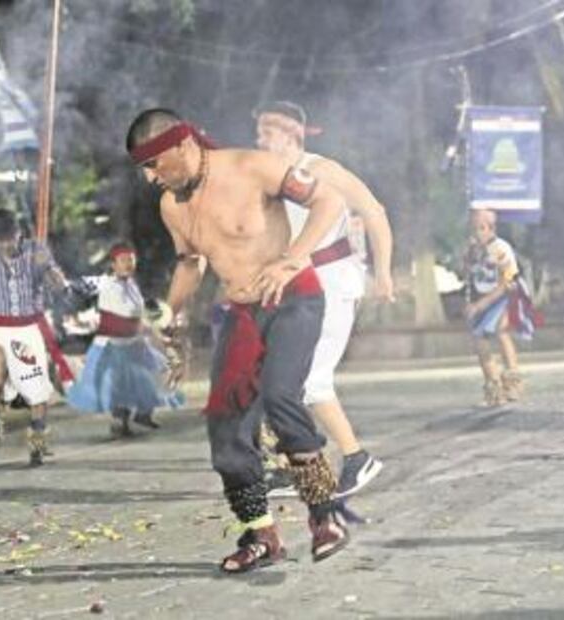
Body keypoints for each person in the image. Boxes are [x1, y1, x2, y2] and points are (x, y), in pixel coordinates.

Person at [127, 108, 350, 573]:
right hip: (242, 313)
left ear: (181, 145)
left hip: (294, 300)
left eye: (152, 164)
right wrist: (169, 312)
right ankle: (262, 535)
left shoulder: (253, 166)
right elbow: (190, 264)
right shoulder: (172, 205)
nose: (149, 178)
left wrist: (293, 258)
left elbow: (329, 201)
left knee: (281, 396)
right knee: (226, 427)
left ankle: (325, 517)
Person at [253, 100, 394, 498]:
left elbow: (374, 211)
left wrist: (383, 271)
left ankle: (357, 458)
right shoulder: (271, 178)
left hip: (332, 280)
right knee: (277, 374)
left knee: (312, 378)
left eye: (267, 131)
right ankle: (290, 468)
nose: (259, 139)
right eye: (258, 131)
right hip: (294, 285)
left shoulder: (323, 170)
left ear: (292, 134)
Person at [0, 209, 73, 467]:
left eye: (10, 238)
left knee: (36, 389)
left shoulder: (36, 251)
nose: (6, 245)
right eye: (0, 240)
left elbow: (59, 285)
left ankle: (37, 441)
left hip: (28, 328)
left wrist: (49, 269)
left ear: (19, 233)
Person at [67, 241, 182, 437]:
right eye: (123, 260)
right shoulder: (109, 286)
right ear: (113, 264)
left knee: (151, 376)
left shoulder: (131, 284)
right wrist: (154, 319)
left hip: (133, 342)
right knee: (121, 385)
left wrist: (157, 321)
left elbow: (140, 310)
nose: (128, 263)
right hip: (113, 345)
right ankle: (120, 422)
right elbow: (130, 312)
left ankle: (143, 414)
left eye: (131, 259)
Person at [464, 209, 540, 406]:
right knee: (480, 340)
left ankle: (513, 381)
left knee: (501, 331)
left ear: (490, 228)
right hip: (482, 297)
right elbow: (470, 278)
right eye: (473, 228)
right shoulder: (472, 251)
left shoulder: (501, 248)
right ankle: (493, 385)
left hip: (504, 296)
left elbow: (508, 280)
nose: (476, 233)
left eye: (480, 228)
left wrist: (482, 304)